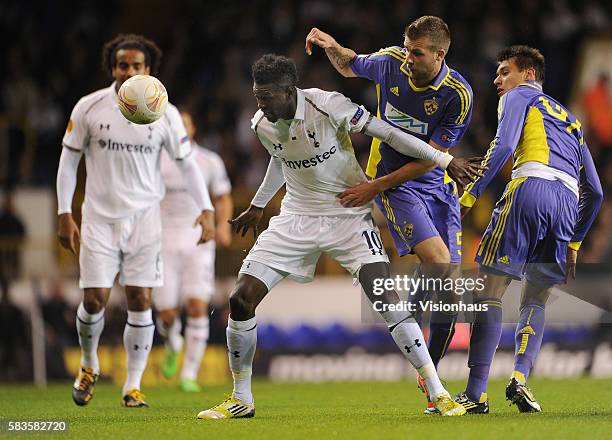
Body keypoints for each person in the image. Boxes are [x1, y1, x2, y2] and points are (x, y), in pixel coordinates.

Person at [197, 54, 484, 420]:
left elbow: (389, 132)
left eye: (266, 97)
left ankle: (437, 391)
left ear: (289, 91)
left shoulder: (327, 103)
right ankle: (241, 399)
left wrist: (446, 161)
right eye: (257, 96)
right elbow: (280, 154)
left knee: (388, 301)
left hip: (347, 214)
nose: (260, 104)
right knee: (240, 299)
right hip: (296, 218)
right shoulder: (262, 122)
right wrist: (258, 205)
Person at [306, 16, 473, 413]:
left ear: (439, 54)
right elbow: (350, 63)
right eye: (406, 47)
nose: (408, 58)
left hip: (434, 183)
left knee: (449, 286)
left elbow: (432, 159)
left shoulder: (457, 95)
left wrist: (370, 189)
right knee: (438, 261)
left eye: (417, 53)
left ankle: (429, 374)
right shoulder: (390, 62)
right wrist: (331, 44)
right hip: (394, 183)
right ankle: (420, 345)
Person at [56, 34, 215, 408]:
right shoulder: (90, 107)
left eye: (137, 66)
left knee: (141, 299)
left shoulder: (166, 113)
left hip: (145, 220)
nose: (129, 71)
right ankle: (89, 364)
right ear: (113, 67)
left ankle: (132, 384)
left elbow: (187, 165)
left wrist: (205, 208)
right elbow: (68, 161)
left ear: (149, 70)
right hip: (99, 219)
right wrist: (65, 211)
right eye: (123, 64)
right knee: (94, 300)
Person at [455, 45, 603, 414]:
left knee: (489, 292)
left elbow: (503, 144)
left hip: (530, 188)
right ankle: (520, 378)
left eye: (505, 71)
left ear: (529, 75)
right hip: (567, 204)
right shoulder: (571, 118)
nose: (498, 79)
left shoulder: (521, 96)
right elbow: (596, 192)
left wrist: (469, 195)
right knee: (535, 301)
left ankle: (475, 394)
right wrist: (574, 243)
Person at [153, 110, 233, 392]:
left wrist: (222, 226)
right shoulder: (155, 160)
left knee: (198, 305)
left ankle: (189, 374)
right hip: (163, 239)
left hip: (199, 240)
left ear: (193, 128)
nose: (180, 129)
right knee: (166, 313)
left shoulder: (209, 161)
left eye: (185, 124)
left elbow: (223, 197)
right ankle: (173, 340)